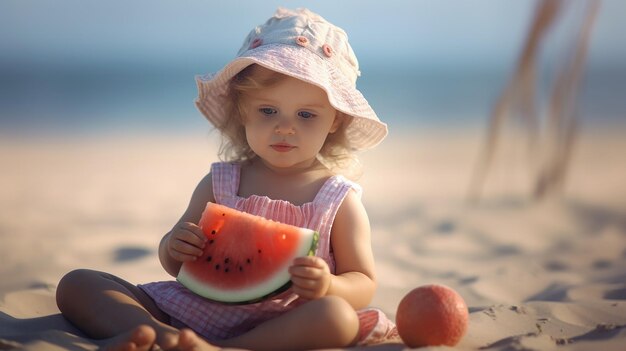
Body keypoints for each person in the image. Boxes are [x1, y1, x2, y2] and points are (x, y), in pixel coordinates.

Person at [56, 7, 397, 351]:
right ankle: (161, 337)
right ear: (242, 110)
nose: (285, 127)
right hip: (192, 310)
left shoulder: (337, 199)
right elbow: (176, 264)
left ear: (335, 121)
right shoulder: (221, 182)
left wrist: (329, 286)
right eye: (267, 110)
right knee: (78, 283)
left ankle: (227, 349)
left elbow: (363, 281)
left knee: (337, 317)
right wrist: (174, 245)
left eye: (306, 115)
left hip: (282, 323)